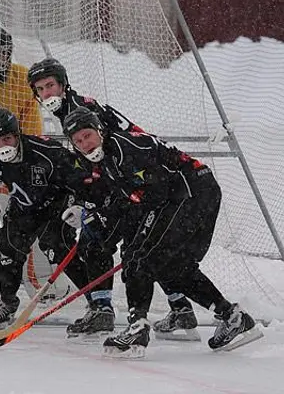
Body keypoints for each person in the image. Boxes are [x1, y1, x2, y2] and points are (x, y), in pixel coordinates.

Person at [62, 107, 263, 357]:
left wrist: (124, 231)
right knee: (172, 267)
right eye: (78, 141)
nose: (85, 144)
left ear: (100, 131)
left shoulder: (125, 149)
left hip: (190, 194)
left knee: (138, 257)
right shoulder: (106, 160)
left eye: (88, 135)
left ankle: (137, 326)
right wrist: (98, 217)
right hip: (189, 195)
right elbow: (128, 198)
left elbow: (154, 194)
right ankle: (234, 317)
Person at [28, 57, 200, 341]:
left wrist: (98, 198)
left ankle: (105, 310)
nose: (47, 94)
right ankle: (177, 305)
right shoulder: (71, 108)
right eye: (41, 89)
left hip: (135, 181)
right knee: (136, 247)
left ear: (63, 84)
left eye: (51, 86)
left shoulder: (79, 110)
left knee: (116, 245)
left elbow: (110, 150)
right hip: (126, 180)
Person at [0, 107, 100, 329]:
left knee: (58, 247)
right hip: (23, 207)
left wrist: (79, 205)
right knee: (6, 249)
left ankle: (97, 302)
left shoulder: (47, 151)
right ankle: (7, 304)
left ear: (17, 134)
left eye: (7, 139)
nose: (3, 147)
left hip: (55, 206)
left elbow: (80, 178)